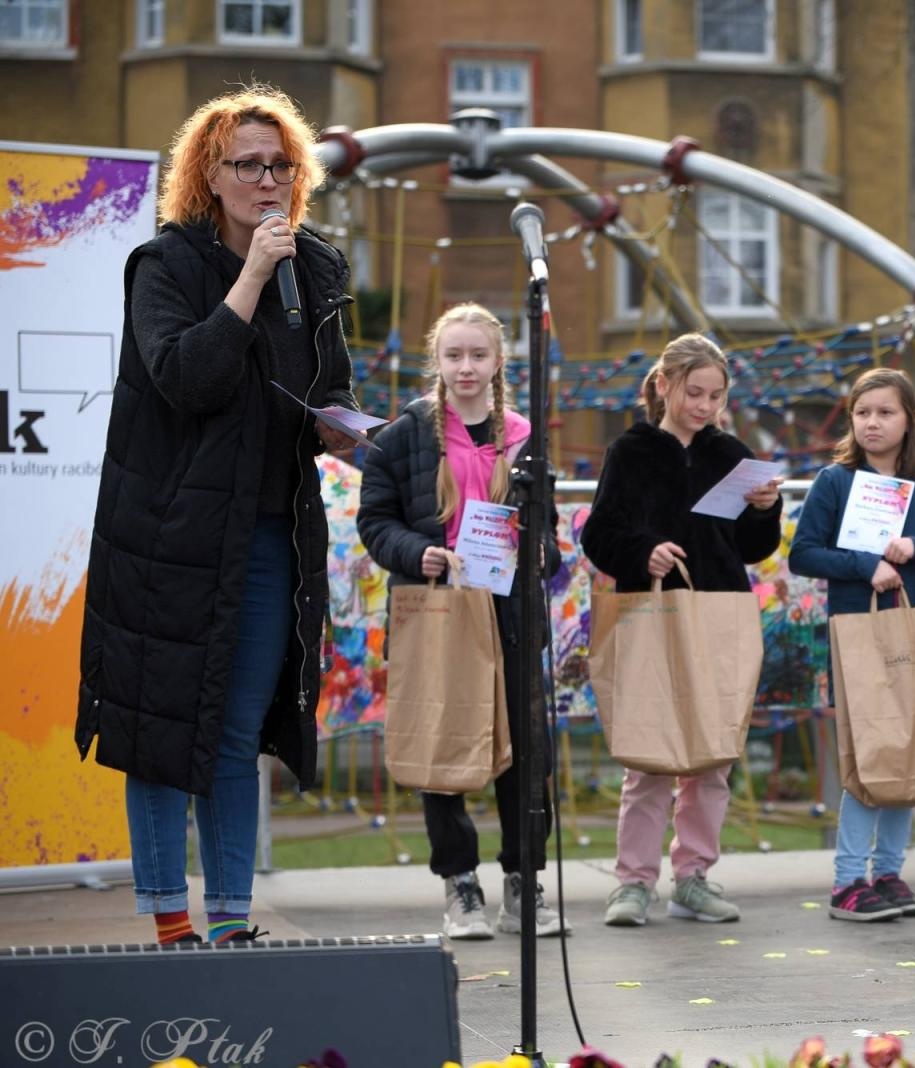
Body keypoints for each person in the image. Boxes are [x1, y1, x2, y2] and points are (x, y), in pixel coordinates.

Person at [75, 85, 359, 944]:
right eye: (248, 165)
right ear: (210, 172)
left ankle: (232, 924)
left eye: (281, 165)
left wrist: (341, 428)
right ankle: (171, 925)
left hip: (271, 532)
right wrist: (250, 278)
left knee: (236, 730)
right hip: (168, 536)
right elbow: (185, 379)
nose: (267, 181)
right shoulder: (166, 267)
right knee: (165, 727)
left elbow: (330, 387)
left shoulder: (316, 266)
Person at [357, 302, 568, 939]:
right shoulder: (404, 436)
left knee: (527, 753)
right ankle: (460, 885)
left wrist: (540, 551)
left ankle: (521, 881)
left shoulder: (525, 437)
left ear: (499, 361)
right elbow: (375, 522)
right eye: (454, 356)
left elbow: (548, 533)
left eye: (478, 355)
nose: (466, 367)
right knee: (441, 742)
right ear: (438, 361)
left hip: (508, 612)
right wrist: (413, 552)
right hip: (437, 611)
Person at [580, 334, 783, 926]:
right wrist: (644, 553)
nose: (704, 406)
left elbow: (751, 548)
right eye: (694, 392)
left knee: (712, 756)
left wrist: (766, 510)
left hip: (720, 614)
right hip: (651, 615)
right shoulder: (630, 452)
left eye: (716, 395)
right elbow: (600, 535)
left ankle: (694, 875)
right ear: (664, 385)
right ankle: (633, 882)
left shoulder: (733, 455)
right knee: (648, 755)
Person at [790, 368, 915, 921]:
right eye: (862, 412)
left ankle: (890, 872)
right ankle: (848, 880)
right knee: (868, 752)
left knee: (910, 749)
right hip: (857, 638)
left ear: (908, 422)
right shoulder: (835, 482)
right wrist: (865, 564)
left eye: (885, 412)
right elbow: (803, 553)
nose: (872, 422)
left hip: (914, 638)